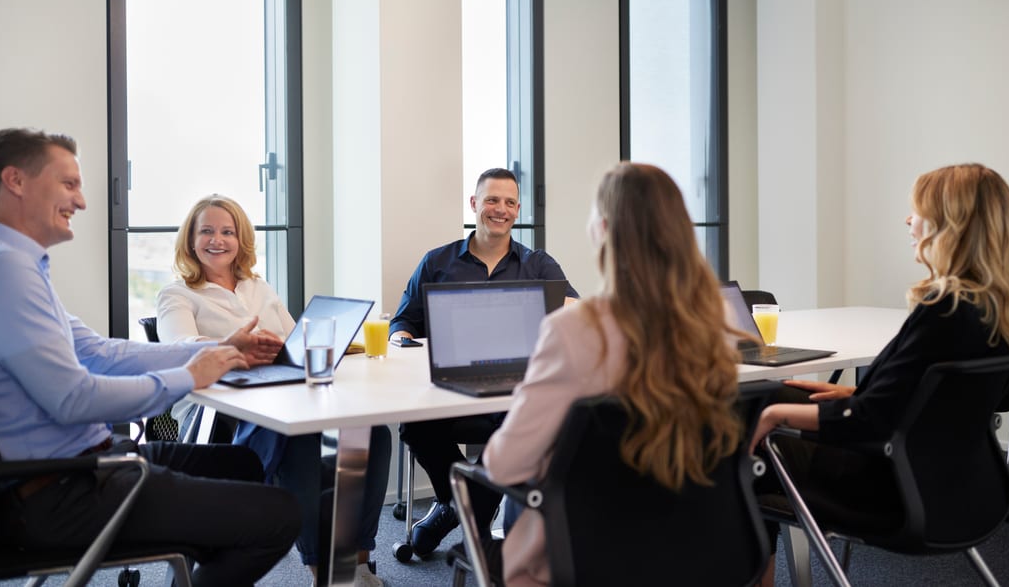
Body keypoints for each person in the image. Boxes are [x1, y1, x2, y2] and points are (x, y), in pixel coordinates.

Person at [0, 128, 302, 587]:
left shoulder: (14, 265)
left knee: (244, 464)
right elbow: (73, 399)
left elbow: (97, 351)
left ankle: (202, 544)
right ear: (17, 181)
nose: (83, 200)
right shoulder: (0, 272)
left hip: (85, 466)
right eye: (68, 183)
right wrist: (188, 376)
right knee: (280, 515)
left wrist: (220, 350)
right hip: (66, 490)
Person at [747, 163, 1009, 586]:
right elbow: (925, 403)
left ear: (948, 224)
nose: (908, 219)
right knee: (775, 392)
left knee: (747, 434)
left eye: (917, 210)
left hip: (890, 491)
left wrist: (775, 417)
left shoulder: (944, 308)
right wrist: (852, 398)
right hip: (964, 489)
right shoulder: (1001, 308)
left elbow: (874, 423)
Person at [481, 162, 745, 586]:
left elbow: (504, 465)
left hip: (587, 555)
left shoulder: (573, 330)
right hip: (697, 547)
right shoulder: (715, 324)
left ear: (603, 228)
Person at [156, 194, 391, 587]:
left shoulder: (258, 287)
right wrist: (235, 347)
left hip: (280, 393)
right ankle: (323, 572)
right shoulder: (178, 294)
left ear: (241, 239)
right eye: (207, 231)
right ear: (190, 240)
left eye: (228, 232)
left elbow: (294, 339)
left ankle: (355, 562)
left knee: (371, 434)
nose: (218, 240)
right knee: (298, 441)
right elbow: (179, 348)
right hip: (216, 414)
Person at [389, 167, 579, 557]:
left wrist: (564, 309)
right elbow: (404, 320)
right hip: (450, 387)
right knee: (414, 423)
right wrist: (401, 339)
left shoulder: (538, 265)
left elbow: (574, 313)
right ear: (475, 204)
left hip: (514, 389)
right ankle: (466, 507)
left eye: (510, 202)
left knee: (526, 427)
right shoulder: (437, 261)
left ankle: (451, 512)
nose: (500, 209)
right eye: (492, 200)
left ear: (518, 209)